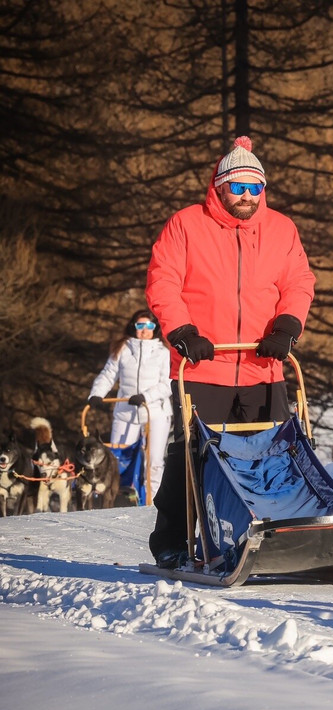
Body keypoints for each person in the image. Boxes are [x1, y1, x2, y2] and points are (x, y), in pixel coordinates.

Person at [145, 135, 316, 569]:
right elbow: (163, 281)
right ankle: (172, 541)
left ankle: (275, 538)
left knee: (271, 460)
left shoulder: (281, 229)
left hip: (263, 366)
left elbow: (298, 282)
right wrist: (182, 331)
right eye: (237, 187)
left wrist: (287, 327)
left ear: (263, 189)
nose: (246, 196)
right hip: (204, 364)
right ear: (219, 187)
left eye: (254, 188)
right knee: (191, 459)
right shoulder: (186, 225)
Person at [87, 309, 172, 498]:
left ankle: (153, 498)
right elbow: (109, 374)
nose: (144, 330)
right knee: (120, 456)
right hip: (126, 411)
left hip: (155, 411)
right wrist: (96, 394)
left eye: (149, 326)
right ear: (133, 327)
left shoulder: (163, 352)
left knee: (154, 460)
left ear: (155, 328)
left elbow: (167, 384)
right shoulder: (123, 349)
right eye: (140, 325)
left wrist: (145, 396)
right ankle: (119, 495)